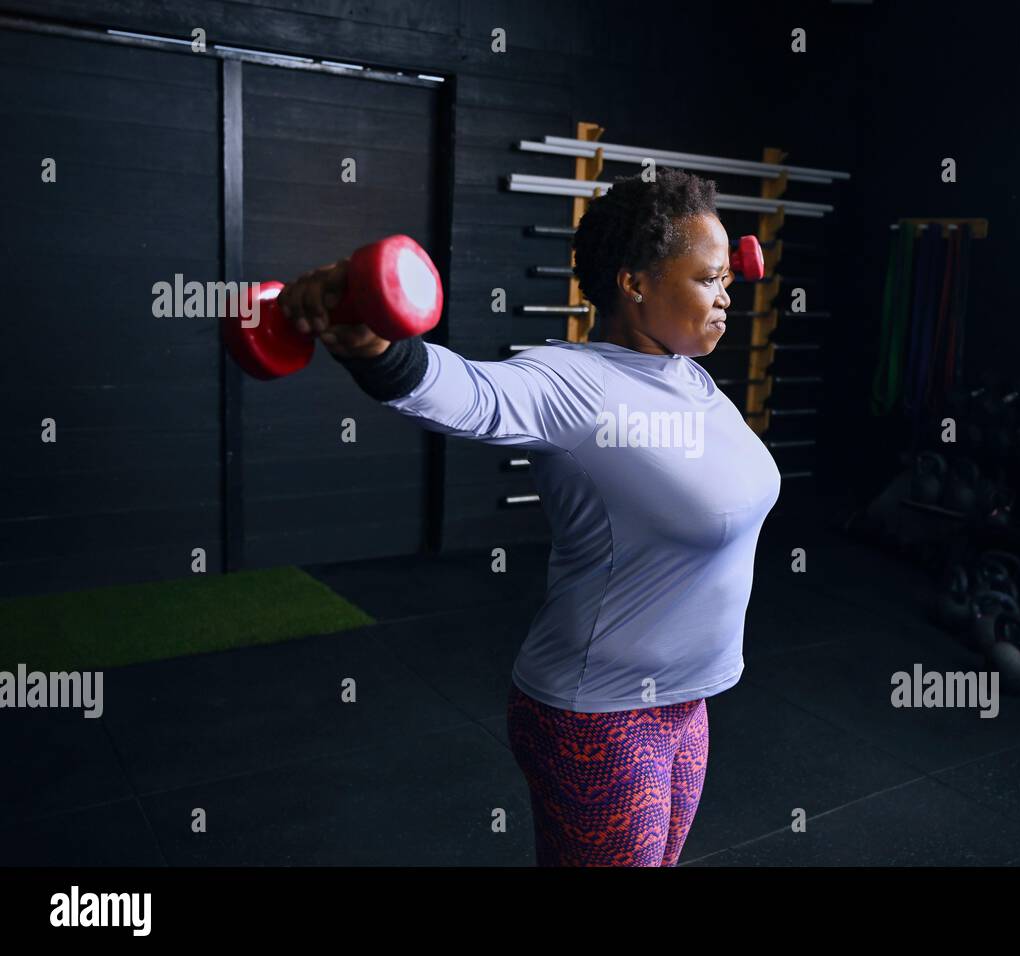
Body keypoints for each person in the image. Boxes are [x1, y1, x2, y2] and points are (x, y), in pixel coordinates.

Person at [276, 167, 781, 866]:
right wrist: (375, 350)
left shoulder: (689, 375)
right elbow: (470, 393)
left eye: (728, 279)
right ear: (634, 283)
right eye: (707, 280)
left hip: (685, 706)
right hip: (598, 715)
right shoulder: (570, 382)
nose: (727, 298)